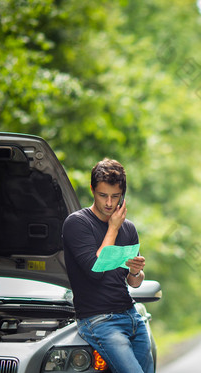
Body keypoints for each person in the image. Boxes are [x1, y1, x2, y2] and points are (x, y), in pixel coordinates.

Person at [62, 158, 154, 373]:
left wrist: (135, 271)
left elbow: (135, 282)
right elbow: (96, 270)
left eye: (115, 196)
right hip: (99, 321)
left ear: (123, 194)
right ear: (92, 189)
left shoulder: (128, 228)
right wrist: (112, 228)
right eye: (103, 195)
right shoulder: (77, 223)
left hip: (131, 316)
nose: (109, 203)